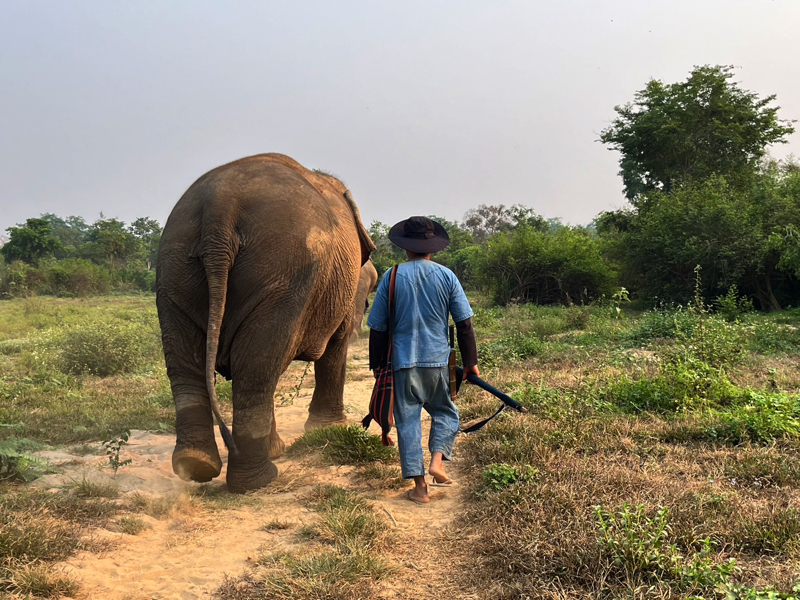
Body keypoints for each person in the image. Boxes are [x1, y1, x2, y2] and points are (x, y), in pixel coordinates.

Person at [367, 216, 480, 504]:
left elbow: (377, 328)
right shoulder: (447, 276)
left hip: (403, 363)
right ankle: (437, 462)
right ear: (433, 247)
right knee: (446, 412)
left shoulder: (391, 277)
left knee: (407, 422)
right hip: (438, 363)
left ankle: (420, 488)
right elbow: (465, 324)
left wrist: (377, 365)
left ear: (406, 247)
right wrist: (471, 362)